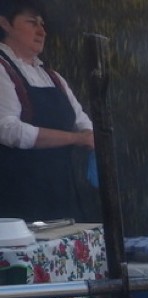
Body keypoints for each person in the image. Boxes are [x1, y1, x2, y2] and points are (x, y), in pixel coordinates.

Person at [0, 0, 95, 223]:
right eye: (32, 23)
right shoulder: (2, 68)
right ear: (4, 23)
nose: (41, 31)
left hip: (60, 196)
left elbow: (81, 120)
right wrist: (76, 138)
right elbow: (8, 129)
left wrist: (93, 137)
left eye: (42, 25)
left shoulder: (53, 77)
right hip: (16, 200)